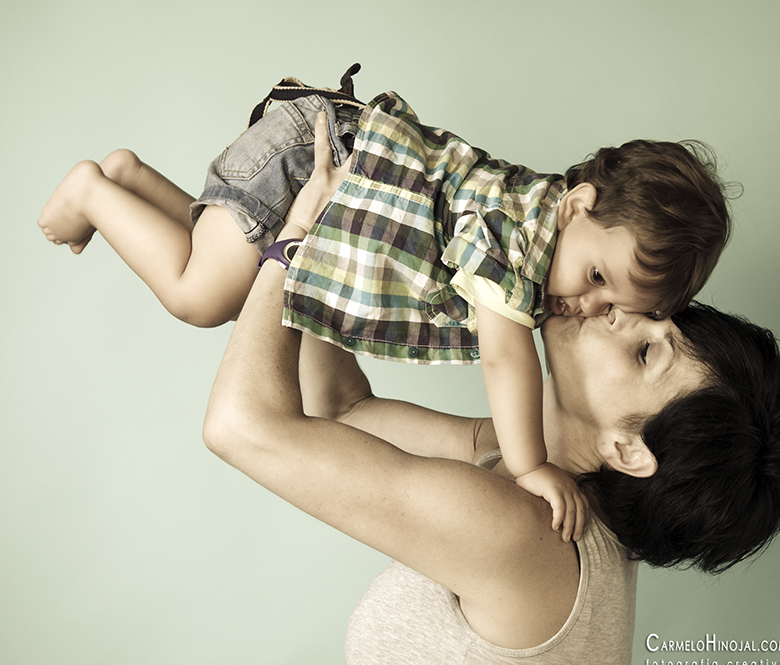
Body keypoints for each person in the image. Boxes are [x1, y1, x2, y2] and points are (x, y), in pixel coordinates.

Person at [201, 120, 780, 665]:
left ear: (628, 449)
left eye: (641, 354)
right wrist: (331, 231)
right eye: (647, 317)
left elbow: (240, 428)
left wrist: (294, 240)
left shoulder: (525, 536)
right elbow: (343, 413)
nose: (611, 311)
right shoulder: (528, 477)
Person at [37, 67, 731, 542]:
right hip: (318, 157)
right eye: (597, 276)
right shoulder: (518, 241)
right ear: (579, 204)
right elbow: (504, 355)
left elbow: (349, 410)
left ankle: (131, 182)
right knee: (196, 295)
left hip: (327, 147)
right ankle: (94, 190)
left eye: (618, 303)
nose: (586, 303)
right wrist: (530, 466)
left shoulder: (550, 232)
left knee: (235, 297)